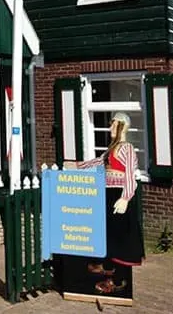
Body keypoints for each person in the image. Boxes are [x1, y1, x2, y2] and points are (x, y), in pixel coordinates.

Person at [64, 112, 145, 269]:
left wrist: (125, 198)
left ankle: (118, 271)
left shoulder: (127, 148)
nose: (110, 128)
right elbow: (97, 162)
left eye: (113, 124)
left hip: (118, 194)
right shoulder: (111, 149)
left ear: (122, 126)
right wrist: (75, 166)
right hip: (107, 193)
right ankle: (106, 264)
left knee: (119, 231)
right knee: (107, 230)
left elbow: (130, 174)